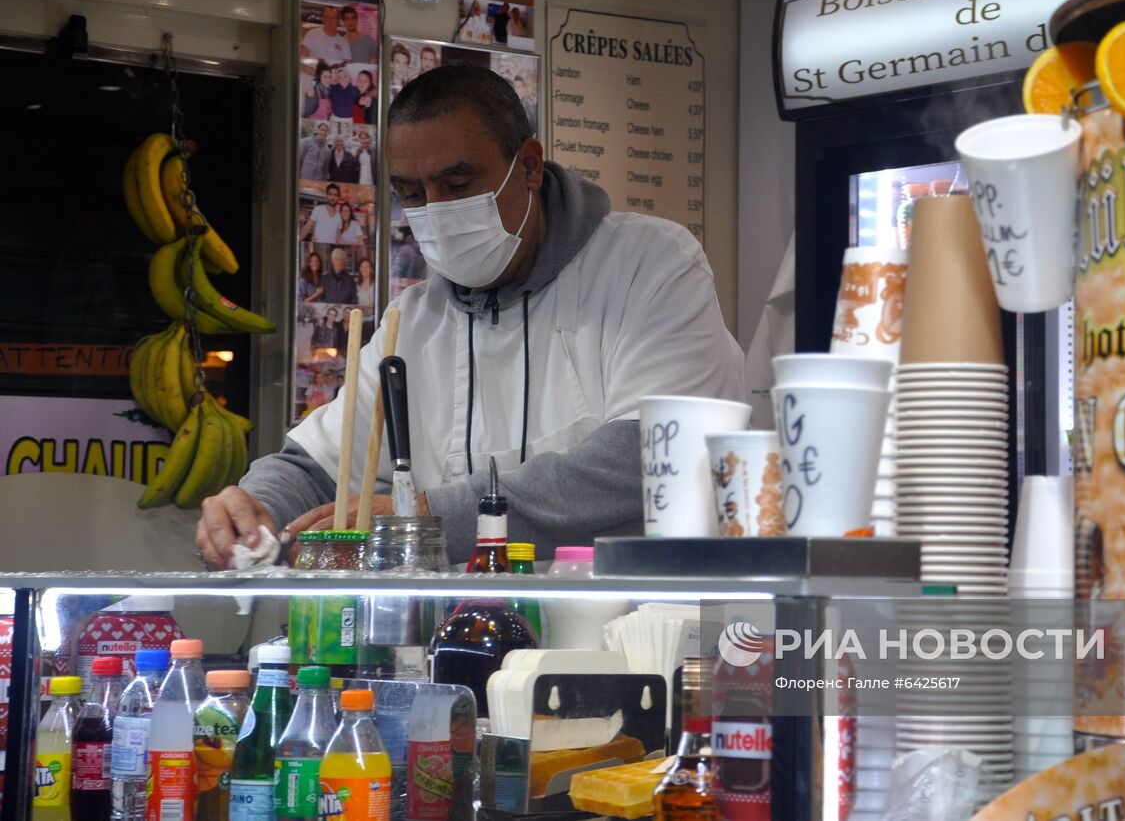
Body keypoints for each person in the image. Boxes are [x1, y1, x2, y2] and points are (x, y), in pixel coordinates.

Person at [196, 65, 743, 569]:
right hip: (456, 647)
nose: (435, 210)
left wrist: (431, 516)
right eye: (412, 193)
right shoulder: (410, 322)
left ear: (528, 166)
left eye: (457, 186)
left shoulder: (646, 265)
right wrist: (255, 507)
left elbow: (646, 458)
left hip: (625, 640)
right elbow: (318, 468)